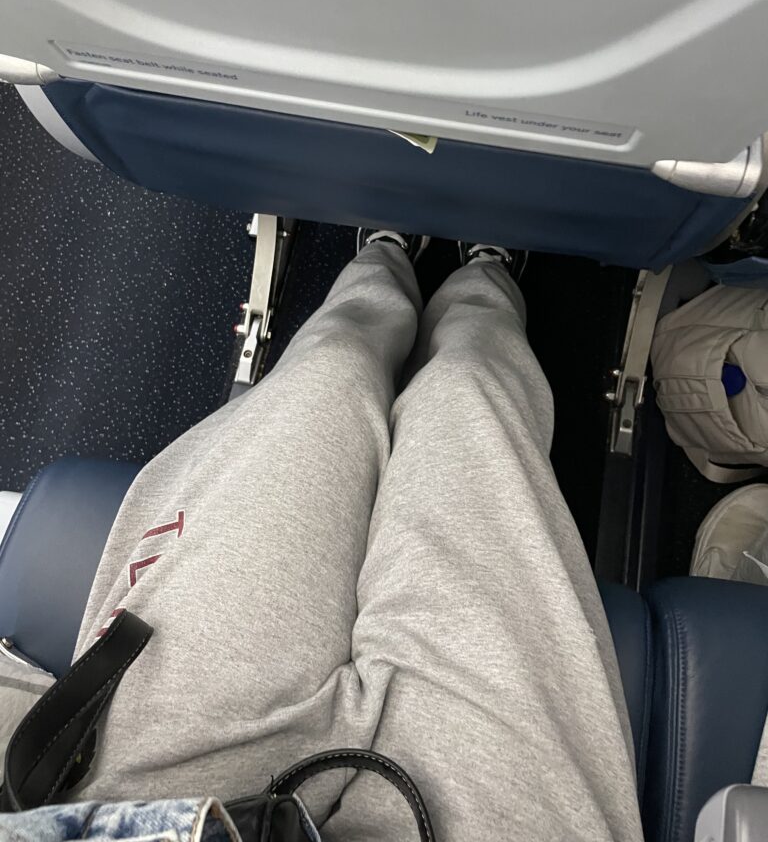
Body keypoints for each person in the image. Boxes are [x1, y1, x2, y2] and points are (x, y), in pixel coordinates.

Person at [6, 232, 648, 841]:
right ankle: (487, 274)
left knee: (333, 368)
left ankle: (386, 258)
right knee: (469, 390)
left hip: (145, 801)